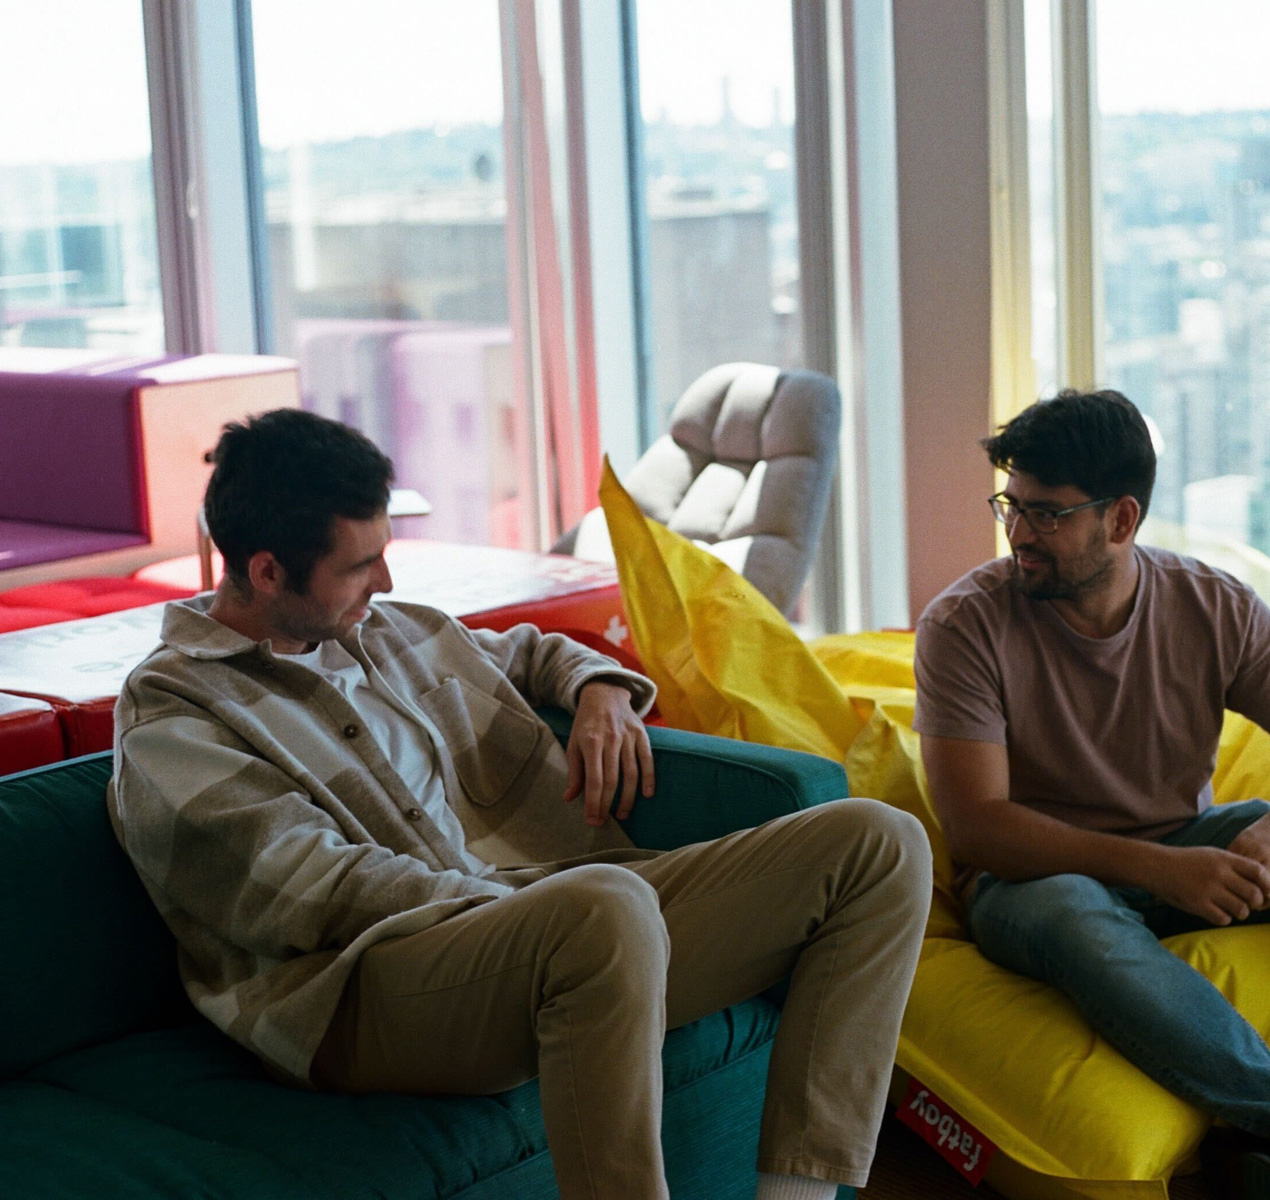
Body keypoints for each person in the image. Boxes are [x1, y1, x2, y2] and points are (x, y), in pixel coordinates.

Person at [109, 408, 930, 1200]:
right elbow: (304, 886)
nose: (385, 581)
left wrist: (602, 689)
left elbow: (533, 653)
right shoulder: (176, 716)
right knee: (600, 905)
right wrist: (512, 904)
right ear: (265, 571)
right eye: (360, 566)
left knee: (880, 844)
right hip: (365, 985)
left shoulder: (395, 631)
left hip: (565, 925)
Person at [913, 390, 1270, 1200]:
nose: (1019, 534)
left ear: (1121, 519)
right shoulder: (963, 625)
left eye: (1047, 515)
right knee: (1073, 910)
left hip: (1185, 841)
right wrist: (1154, 870)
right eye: (1012, 505)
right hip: (1034, 880)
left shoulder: (1213, 606)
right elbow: (978, 827)